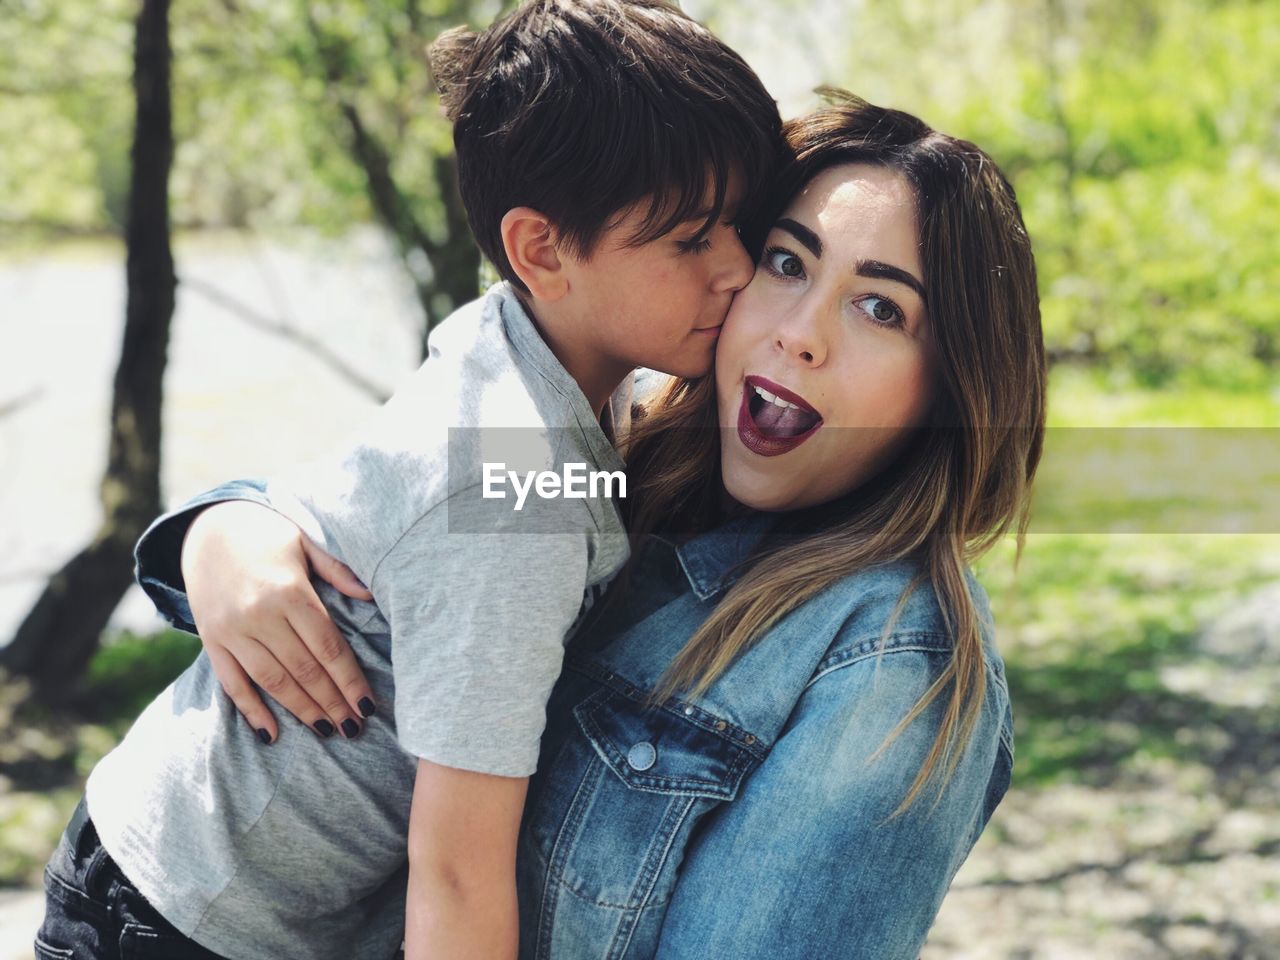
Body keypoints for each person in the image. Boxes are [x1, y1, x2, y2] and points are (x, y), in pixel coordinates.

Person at [114, 95, 1046, 959]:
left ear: (952, 389)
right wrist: (227, 531)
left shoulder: (892, 681)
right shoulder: (609, 457)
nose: (802, 332)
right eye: (785, 261)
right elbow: (388, 507)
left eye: (881, 307)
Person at [34, 2, 787, 959]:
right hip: (176, 911)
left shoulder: (529, 362)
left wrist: (228, 520)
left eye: (743, 226)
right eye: (689, 241)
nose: (735, 270)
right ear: (541, 251)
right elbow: (458, 866)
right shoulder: (508, 495)